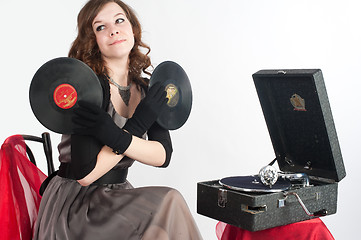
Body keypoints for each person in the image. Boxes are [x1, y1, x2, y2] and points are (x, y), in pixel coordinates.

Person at [32, 0, 202, 239]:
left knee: (161, 227)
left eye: (119, 20)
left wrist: (116, 135)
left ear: (132, 28)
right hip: (77, 206)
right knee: (168, 202)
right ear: (92, 40)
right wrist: (138, 125)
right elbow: (86, 175)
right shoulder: (89, 89)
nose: (113, 30)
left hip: (116, 198)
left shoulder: (144, 89)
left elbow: (162, 155)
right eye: (101, 27)